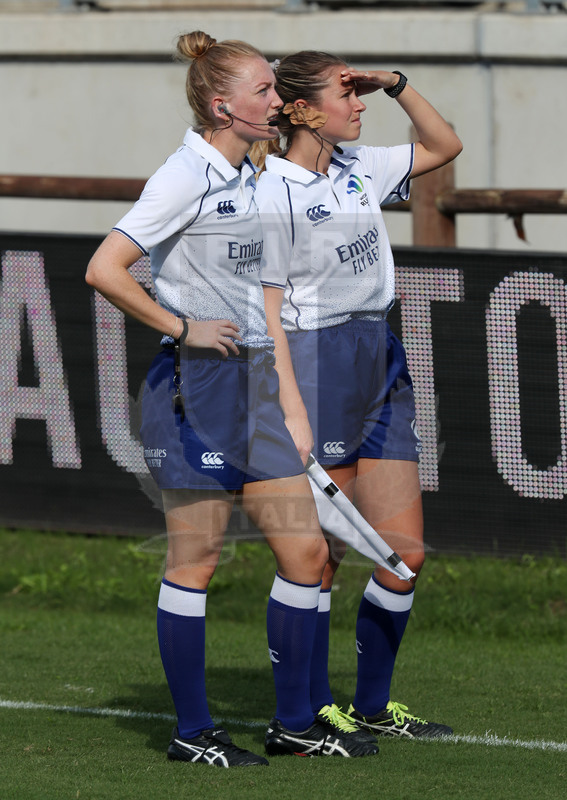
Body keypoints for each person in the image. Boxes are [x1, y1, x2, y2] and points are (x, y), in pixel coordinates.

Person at [85, 33, 378, 766]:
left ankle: (291, 725)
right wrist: (181, 324)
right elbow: (105, 268)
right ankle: (192, 731)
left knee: (306, 552)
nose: (275, 101)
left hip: (254, 386)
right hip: (196, 385)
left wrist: (289, 400)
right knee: (198, 561)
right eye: (262, 92)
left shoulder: (252, 174)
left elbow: (263, 303)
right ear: (223, 104)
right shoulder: (183, 175)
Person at [253, 51, 463, 739]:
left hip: (378, 352)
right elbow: (266, 307)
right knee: (323, 556)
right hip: (319, 362)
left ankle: (373, 709)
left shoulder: (357, 167)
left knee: (403, 554)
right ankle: (312, 713)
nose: (359, 102)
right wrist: (288, 398)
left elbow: (444, 145)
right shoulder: (272, 191)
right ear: (303, 111)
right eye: (346, 93)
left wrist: (395, 82)